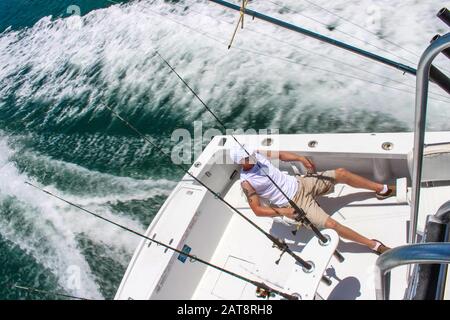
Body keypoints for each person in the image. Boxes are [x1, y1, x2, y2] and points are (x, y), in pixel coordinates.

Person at [230, 144, 396, 255]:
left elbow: (280, 155)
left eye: (250, 153)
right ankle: (374, 245)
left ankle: (382, 190)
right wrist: (284, 211)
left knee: (341, 173)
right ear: (240, 161)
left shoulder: (257, 153)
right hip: (293, 203)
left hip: (301, 182)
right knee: (332, 225)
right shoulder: (246, 182)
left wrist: (300, 158)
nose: (251, 156)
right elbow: (257, 211)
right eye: (247, 156)